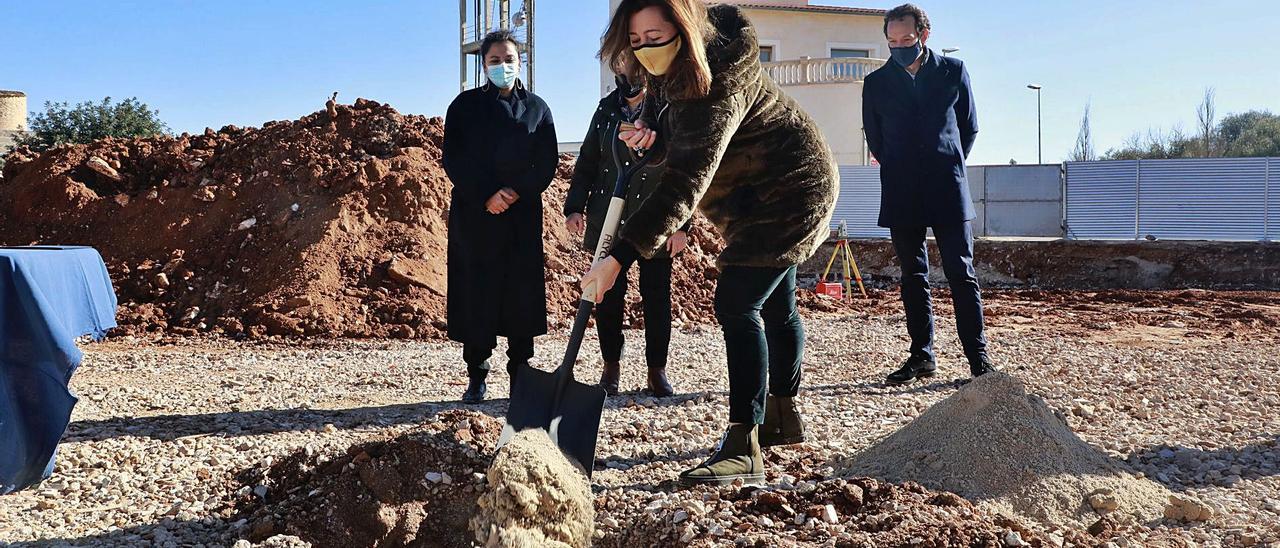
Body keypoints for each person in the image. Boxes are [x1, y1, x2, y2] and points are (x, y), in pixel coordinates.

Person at [581, 0, 838, 486]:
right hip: (752, 196)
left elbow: (684, 182)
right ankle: (782, 418)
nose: (646, 50)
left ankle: (745, 445)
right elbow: (684, 145)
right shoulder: (677, 69)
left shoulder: (717, 78)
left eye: (655, 36)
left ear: (684, 27)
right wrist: (655, 145)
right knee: (777, 306)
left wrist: (618, 256)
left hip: (791, 192)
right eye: (636, 42)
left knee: (737, 303)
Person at [862, 4, 996, 385]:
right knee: (912, 275)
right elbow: (875, 137)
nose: (900, 46)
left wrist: (946, 162)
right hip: (902, 190)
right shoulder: (876, 84)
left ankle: (978, 360)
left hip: (947, 188)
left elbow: (968, 128)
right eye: (892, 41)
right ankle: (922, 356)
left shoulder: (953, 72)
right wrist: (901, 166)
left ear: (924, 34)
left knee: (961, 273)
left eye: (906, 39)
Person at [442, 30, 558, 404]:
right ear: (483, 64)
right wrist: (487, 195)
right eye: (495, 60)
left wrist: (516, 192)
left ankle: (521, 375)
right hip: (476, 217)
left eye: (509, 59)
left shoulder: (538, 108)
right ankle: (477, 375)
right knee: (478, 292)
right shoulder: (464, 107)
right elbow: (454, 159)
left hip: (521, 217)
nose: (503, 66)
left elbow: (547, 161)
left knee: (519, 294)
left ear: (520, 62)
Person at [564, 72, 688, 398]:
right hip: (610, 218)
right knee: (608, 298)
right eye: (621, 63)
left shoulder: (665, 108)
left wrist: (681, 225)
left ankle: (656, 370)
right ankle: (610, 368)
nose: (629, 71)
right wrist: (574, 207)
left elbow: (685, 169)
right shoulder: (606, 110)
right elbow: (588, 161)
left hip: (655, 217)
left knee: (656, 297)